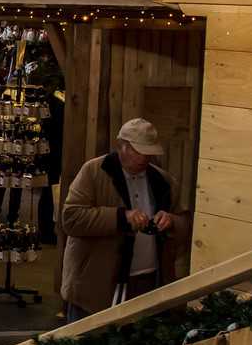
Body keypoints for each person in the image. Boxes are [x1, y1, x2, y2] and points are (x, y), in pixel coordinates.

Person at [59, 119, 178, 322]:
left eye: (148, 152)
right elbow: (71, 218)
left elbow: (185, 222)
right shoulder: (94, 172)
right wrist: (121, 217)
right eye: (138, 151)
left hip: (147, 282)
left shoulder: (162, 180)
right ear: (121, 146)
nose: (144, 158)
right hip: (96, 285)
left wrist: (171, 220)